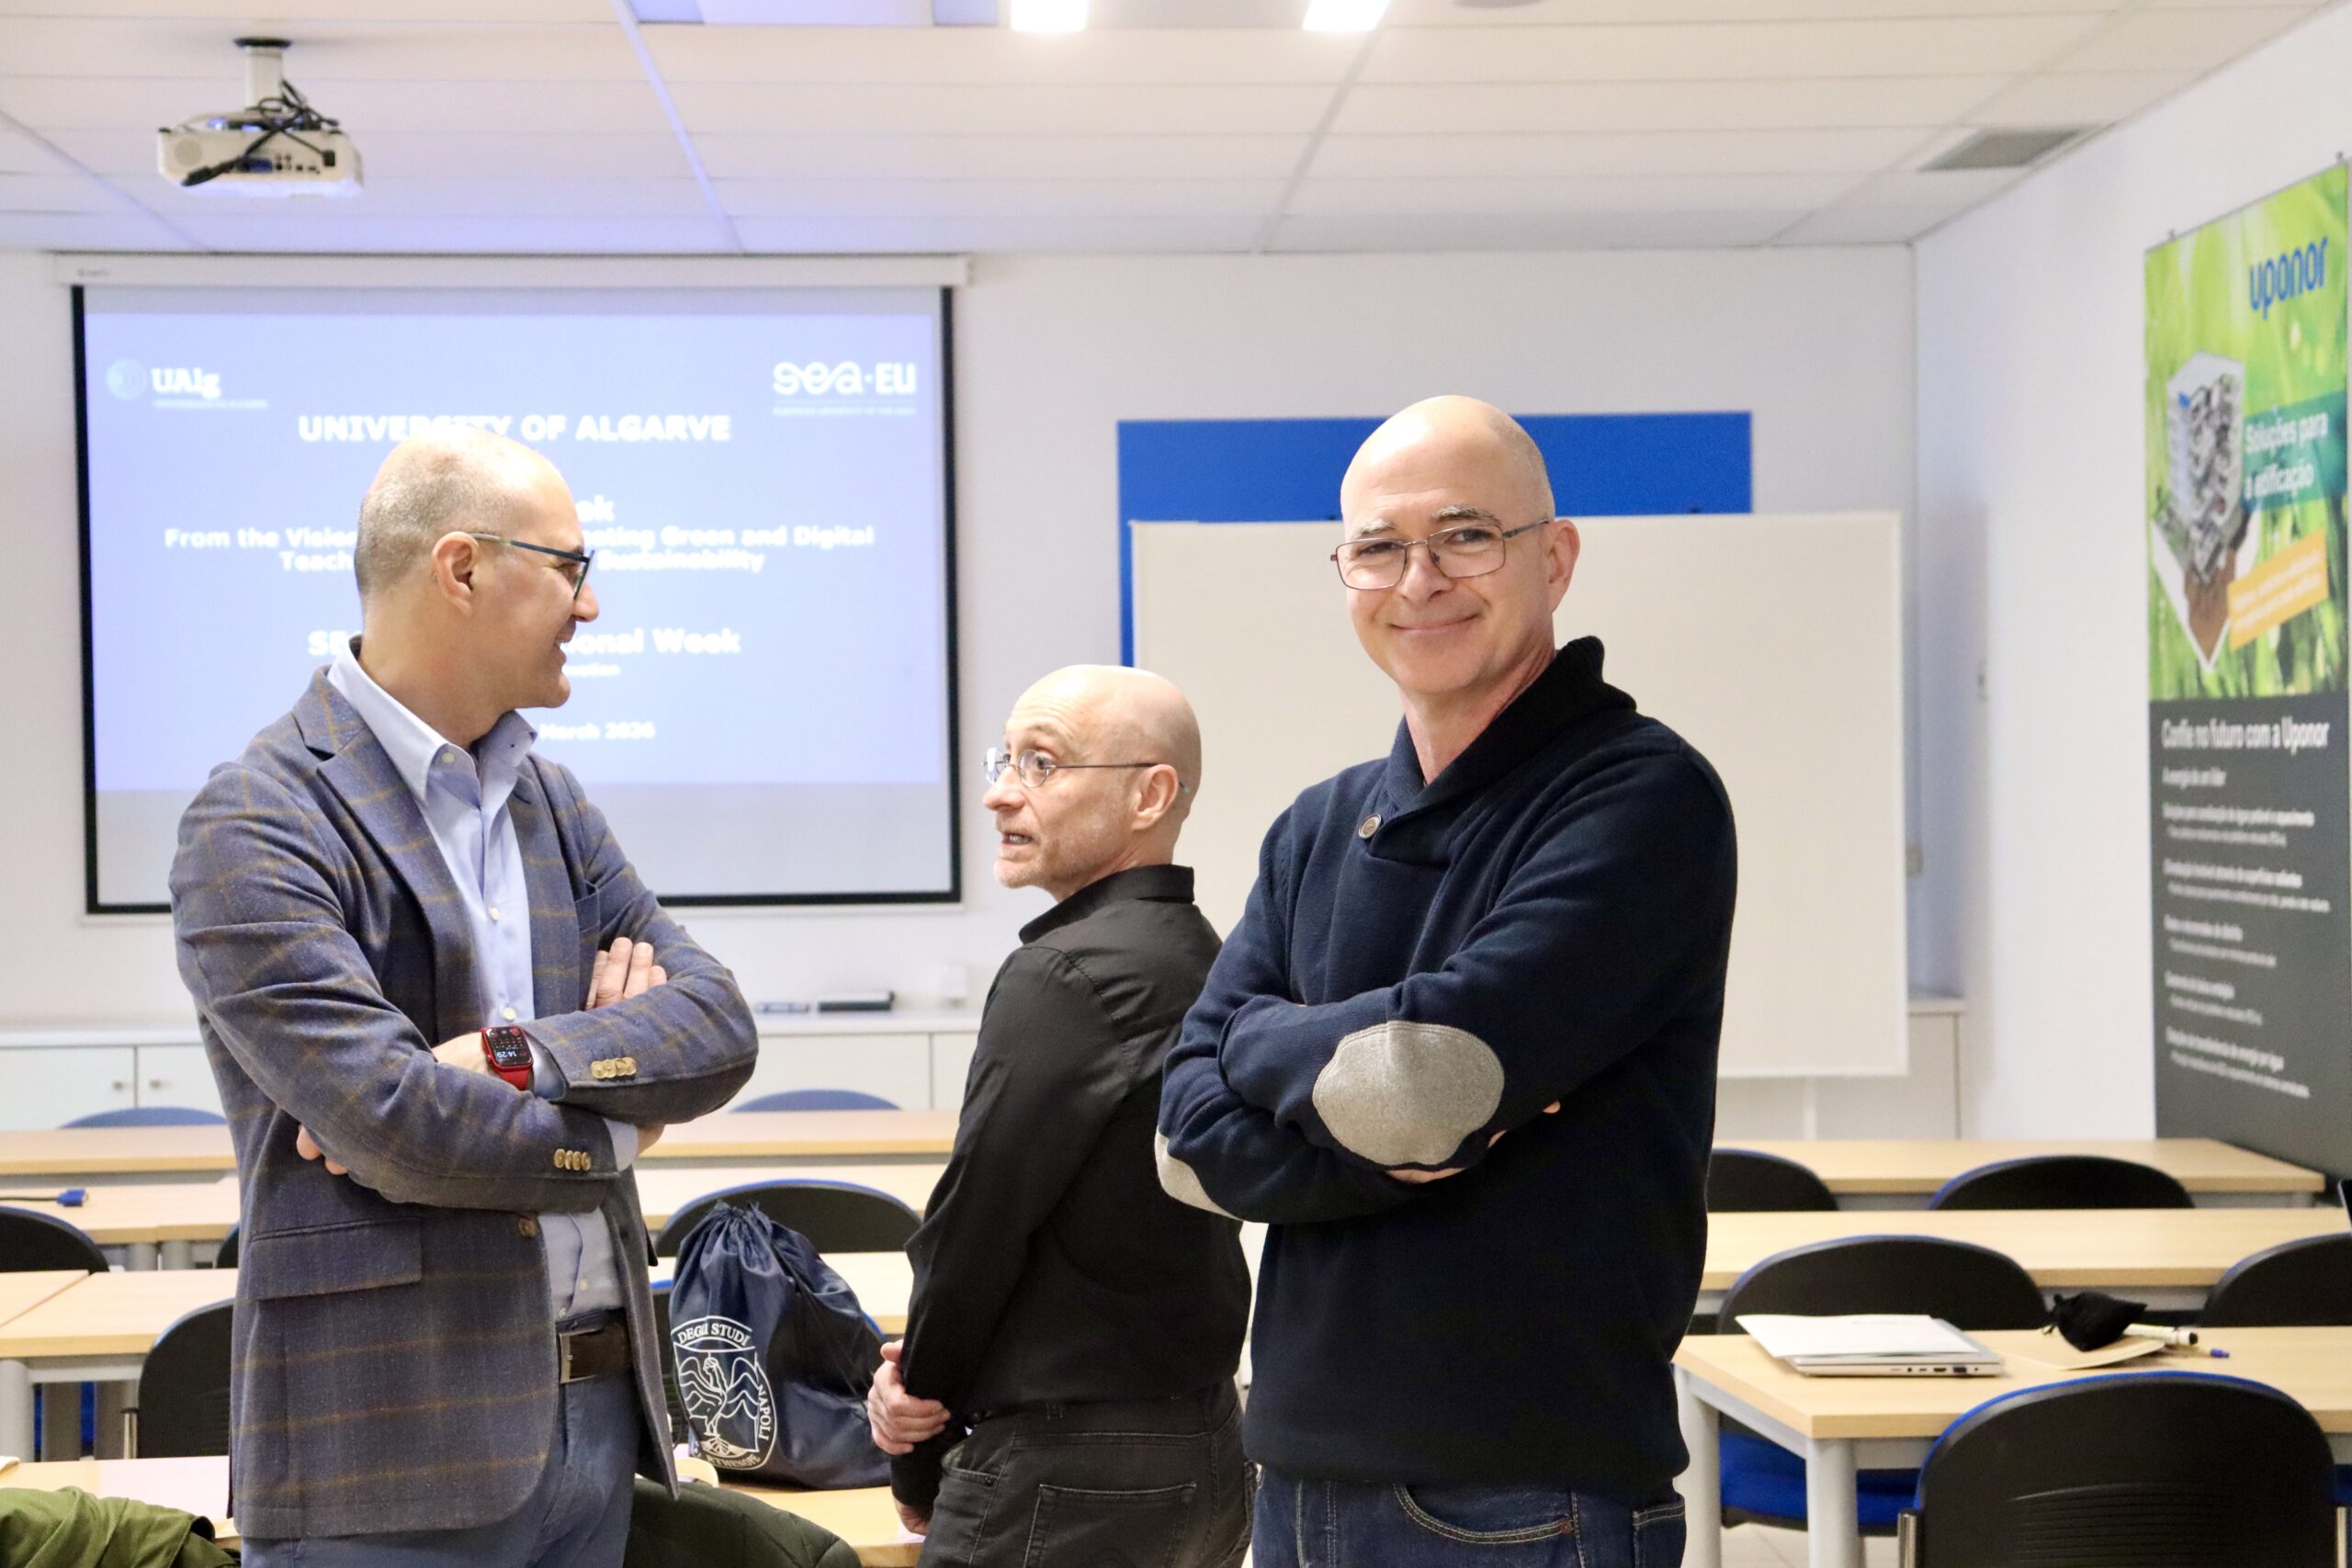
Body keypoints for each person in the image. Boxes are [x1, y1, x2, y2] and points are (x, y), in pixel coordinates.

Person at [1155, 397, 1737, 1567]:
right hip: (1298, 1475)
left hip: (1527, 1493)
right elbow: (1182, 1143)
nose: (1418, 581)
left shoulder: (1637, 798)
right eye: (1378, 547)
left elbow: (1423, 1085)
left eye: (1465, 536)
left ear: (1553, 558)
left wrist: (1256, 1042)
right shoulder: (1316, 825)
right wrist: (1384, 1115)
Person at [169, 429, 759, 1568]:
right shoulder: (256, 819)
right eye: (571, 567)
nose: (590, 606)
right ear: (462, 567)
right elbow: (392, 1121)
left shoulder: (549, 801)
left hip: (597, 1429)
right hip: (390, 1452)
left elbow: (715, 1025)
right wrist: (619, 1130)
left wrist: (508, 1056)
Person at [864, 665, 1252, 1568]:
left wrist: (916, 1436)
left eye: (1041, 764)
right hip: (1206, 1446)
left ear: (1150, 795)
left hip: (1066, 1469)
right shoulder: (1207, 956)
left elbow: (975, 1228)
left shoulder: (1067, 975)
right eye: (1004, 760)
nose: (1001, 793)